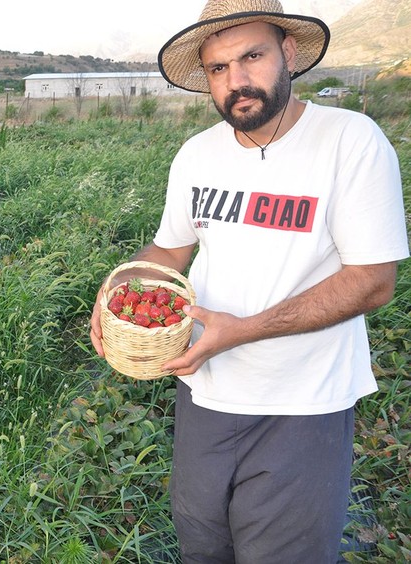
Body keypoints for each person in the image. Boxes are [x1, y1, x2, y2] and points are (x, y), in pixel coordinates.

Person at [89, 0, 409, 562]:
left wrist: (243, 330)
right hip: (204, 393)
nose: (236, 81)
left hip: (302, 403)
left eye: (252, 56)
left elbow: (371, 280)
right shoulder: (198, 154)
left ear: (288, 53)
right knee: (203, 546)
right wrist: (116, 291)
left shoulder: (349, 140)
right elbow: (169, 248)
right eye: (217, 68)